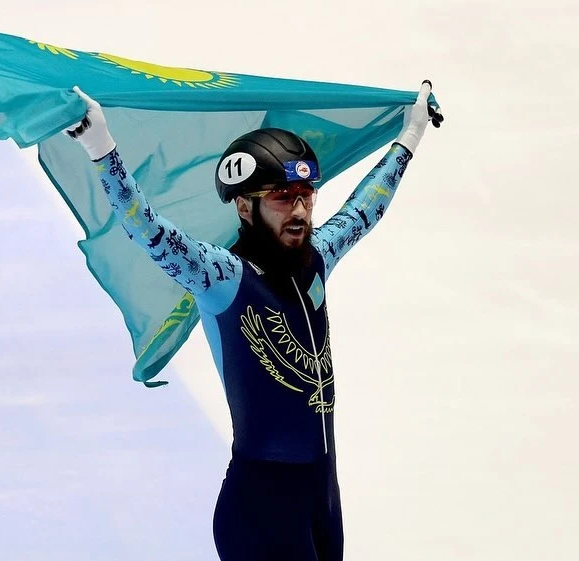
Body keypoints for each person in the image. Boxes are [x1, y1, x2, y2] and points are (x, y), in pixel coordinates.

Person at [65, 81, 442, 561]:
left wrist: (409, 136)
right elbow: (147, 227)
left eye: (306, 194)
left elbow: (365, 209)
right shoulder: (221, 276)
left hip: (322, 500)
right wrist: (102, 149)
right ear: (245, 206)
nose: (300, 209)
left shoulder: (317, 256)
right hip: (261, 510)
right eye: (283, 196)